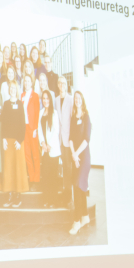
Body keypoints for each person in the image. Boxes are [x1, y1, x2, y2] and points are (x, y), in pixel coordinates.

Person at [1, 81, 28, 206]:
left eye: (14, 88)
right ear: (9, 90)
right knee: (9, 168)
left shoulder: (20, 104)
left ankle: (18, 196)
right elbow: (3, 123)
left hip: (18, 142)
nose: (12, 90)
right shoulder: (6, 104)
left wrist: (19, 140)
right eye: (10, 88)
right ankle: (10, 195)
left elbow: (22, 124)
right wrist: (3, 139)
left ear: (16, 90)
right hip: (8, 141)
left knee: (18, 168)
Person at [69, 91, 92, 235]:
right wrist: (73, 154)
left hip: (83, 157)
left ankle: (76, 221)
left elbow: (86, 139)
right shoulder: (73, 117)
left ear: (82, 100)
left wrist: (76, 154)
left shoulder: (86, 117)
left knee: (78, 186)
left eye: (79, 98)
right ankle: (85, 217)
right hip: (75, 157)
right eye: (75, 98)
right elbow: (71, 138)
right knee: (79, 186)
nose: (77, 100)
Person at [38, 90, 61, 208]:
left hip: (53, 150)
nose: (45, 100)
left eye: (47, 98)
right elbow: (39, 129)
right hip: (44, 149)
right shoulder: (41, 112)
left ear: (50, 100)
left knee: (53, 177)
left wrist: (49, 145)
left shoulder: (54, 113)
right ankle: (46, 200)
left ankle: (53, 201)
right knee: (46, 176)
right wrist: (42, 143)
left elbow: (56, 131)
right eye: (44, 98)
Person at [54, 75, 73, 206]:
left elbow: (71, 119)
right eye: (60, 83)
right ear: (58, 85)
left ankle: (68, 196)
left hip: (67, 138)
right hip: (58, 138)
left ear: (66, 86)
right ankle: (62, 193)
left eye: (64, 83)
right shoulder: (56, 100)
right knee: (59, 167)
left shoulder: (70, 99)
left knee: (67, 167)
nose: (62, 85)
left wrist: (72, 138)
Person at [21, 74, 41, 184]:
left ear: (31, 83)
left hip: (32, 128)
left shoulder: (35, 96)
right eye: (25, 81)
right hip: (24, 128)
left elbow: (37, 113)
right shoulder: (22, 95)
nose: (27, 83)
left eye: (28, 81)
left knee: (35, 154)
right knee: (27, 154)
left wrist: (36, 129)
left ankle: (36, 179)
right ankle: (31, 177)